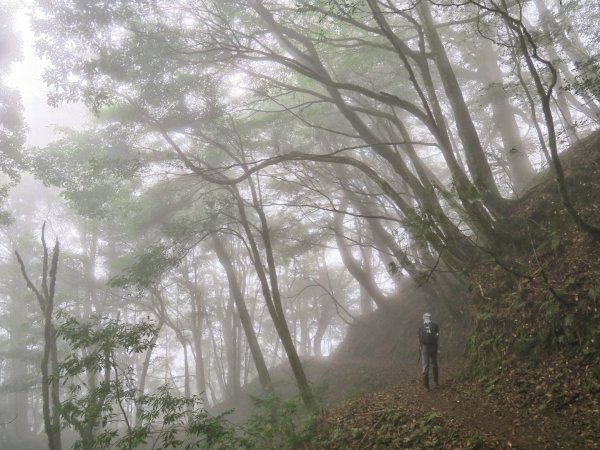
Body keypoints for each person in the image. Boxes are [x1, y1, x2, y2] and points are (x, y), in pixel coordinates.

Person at [418, 312, 440, 390]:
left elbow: (437, 335)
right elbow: (437, 336)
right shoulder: (433, 325)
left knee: (431, 365)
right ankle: (429, 385)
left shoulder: (432, 325)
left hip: (429, 347)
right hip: (428, 347)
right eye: (426, 317)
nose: (427, 318)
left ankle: (431, 384)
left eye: (427, 317)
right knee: (430, 365)